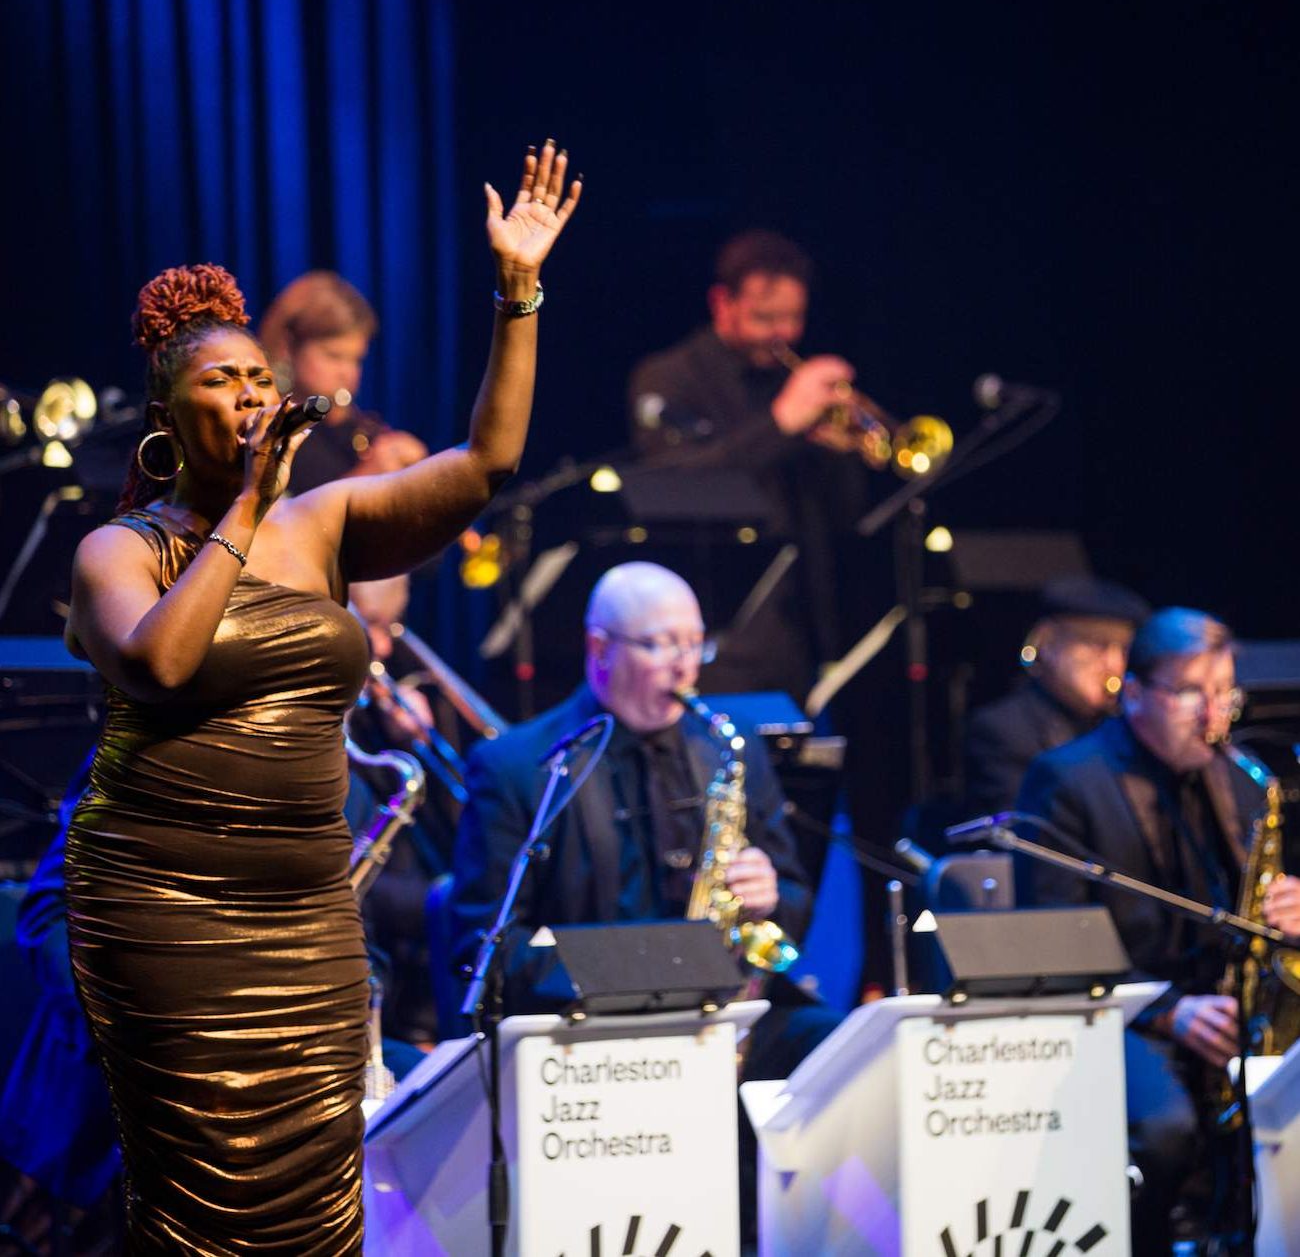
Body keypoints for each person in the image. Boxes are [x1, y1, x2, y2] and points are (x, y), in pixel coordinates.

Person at [61, 140, 580, 1253]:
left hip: (304, 915)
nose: (250, 396)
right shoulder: (121, 548)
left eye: (259, 377)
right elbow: (160, 663)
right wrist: (246, 506)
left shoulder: (329, 519)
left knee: (315, 1193)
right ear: (167, 407)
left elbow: (486, 462)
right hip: (164, 913)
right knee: (196, 1202)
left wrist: (518, 293)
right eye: (220, 380)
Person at [448, 561, 840, 1234]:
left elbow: (794, 904)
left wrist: (769, 896)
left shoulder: (729, 747)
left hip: (721, 1019)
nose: (686, 667)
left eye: (695, 644)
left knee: (833, 1046)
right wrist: (627, 973)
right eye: (661, 644)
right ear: (599, 648)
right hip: (586, 1032)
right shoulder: (519, 766)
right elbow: (486, 945)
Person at [1018, 606, 1300, 1251]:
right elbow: (1056, 944)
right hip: (1124, 1015)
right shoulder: (1066, 779)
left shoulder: (1242, 776)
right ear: (1136, 694)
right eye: (1191, 693)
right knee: (1167, 1130)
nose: (1213, 715)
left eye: (1223, 692)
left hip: (1232, 1011)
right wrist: (1171, 1013)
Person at [627, 229, 869, 699]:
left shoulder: (795, 382)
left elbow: (846, 514)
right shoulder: (669, 377)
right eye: (765, 317)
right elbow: (673, 483)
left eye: (793, 318)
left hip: (804, 631)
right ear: (722, 303)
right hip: (717, 638)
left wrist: (838, 452)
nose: (782, 334)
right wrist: (782, 423)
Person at [963, 575, 1150, 817]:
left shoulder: (1126, 723)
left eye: (1124, 649)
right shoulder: (1002, 730)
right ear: (1048, 643)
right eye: (1097, 644)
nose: (1114, 664)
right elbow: (1024, 836)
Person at [258, 269, 428, 491]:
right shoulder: (270, 428)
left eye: (356, 359)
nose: (348, 373)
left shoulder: (354, 426)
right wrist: (371, 472)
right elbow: (286, 515)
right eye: (334, 356)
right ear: (289, 347)